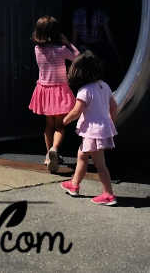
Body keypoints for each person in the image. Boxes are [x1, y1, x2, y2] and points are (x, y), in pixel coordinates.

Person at [60, 49, 118, 206]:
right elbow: (114, 106)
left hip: (92, 132)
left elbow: (76, 111)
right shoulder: (104, 86)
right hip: (100, 130)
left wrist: (64, 120)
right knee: (82, 156)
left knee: (100, 165)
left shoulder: (84, 91)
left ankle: (108, 194)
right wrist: (110, 123)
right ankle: (74, 184)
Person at [28, 16, 79, 173]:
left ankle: (48, 155)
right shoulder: (61, 50)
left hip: (44, 90)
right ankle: (55, 149)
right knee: (60, 126)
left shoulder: (37, 49)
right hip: (59, 92)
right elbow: (78, 57)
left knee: (48, 125)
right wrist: (68, 42)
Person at [71, 0, 121, 87]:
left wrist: (73, 57)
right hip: (98, 51)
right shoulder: (101, 14)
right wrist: (116, 52)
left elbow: (74, 39)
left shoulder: (77, 14)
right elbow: (109, 37)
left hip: (83, 50)